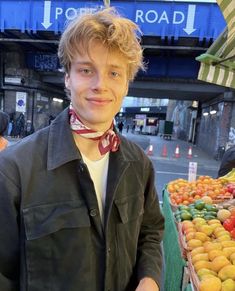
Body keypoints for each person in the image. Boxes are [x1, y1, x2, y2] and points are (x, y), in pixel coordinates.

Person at [0, 7, 164, 291]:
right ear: (67, 78)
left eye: (114, 73)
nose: (101, 85)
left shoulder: (139, 165)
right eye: (86, 70)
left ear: (127, 84)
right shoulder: (14, 170)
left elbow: (149, 232)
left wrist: (149, 279)